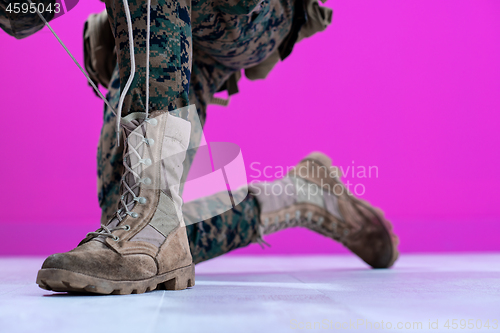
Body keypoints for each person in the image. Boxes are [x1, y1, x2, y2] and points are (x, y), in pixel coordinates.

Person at [1, 0, 399, 295]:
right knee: (127, 219)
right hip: (167, 21)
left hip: (250, 14)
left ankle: (155, 219)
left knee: (150, 218)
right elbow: (20, 14)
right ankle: (296, 197)